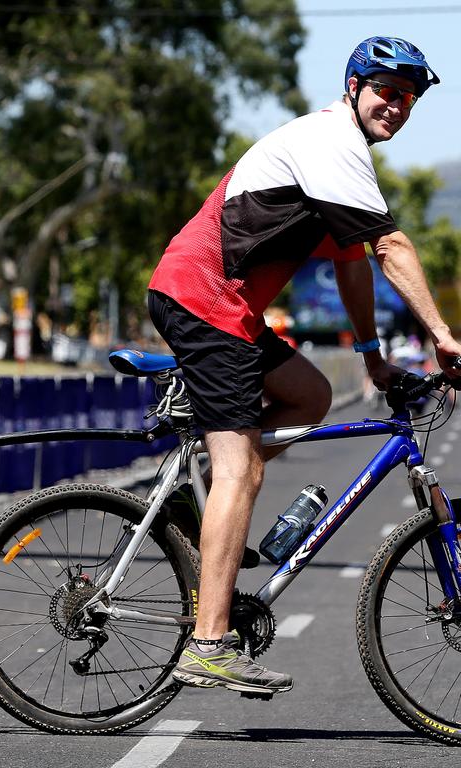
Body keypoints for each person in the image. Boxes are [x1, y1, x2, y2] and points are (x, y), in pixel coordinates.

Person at [146, 36, 461, 696]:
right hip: (205, 300)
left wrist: (373, 358)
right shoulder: (332, 144)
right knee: (245, 467)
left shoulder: (344, 163)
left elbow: (354, 269)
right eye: (386, 91)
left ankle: (191, 493)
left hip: (223, 309)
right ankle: (207, 645)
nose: (397, 106)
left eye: (409, 99)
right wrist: (441, 335)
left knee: (309, 395)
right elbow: (390, 246)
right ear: (353, 88)